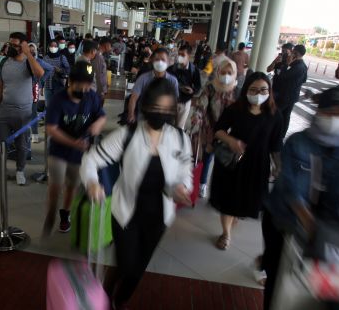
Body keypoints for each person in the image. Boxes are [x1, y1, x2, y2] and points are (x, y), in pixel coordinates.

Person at [262, 86, 339, 310]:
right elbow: (289, 189)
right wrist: (308, 223)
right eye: (330, 113)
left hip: (329, 225)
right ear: (319, 112)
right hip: (285, 220)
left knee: (333, 286)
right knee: (278, 278)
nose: (335, 119)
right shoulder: (297, 142)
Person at [82, 78, 192, 309]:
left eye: (166, 109)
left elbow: (184, 173)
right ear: (145, 106)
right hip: (126, 214)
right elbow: (91, 159)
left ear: (173, 110)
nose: (160, 114)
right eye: (155, 108)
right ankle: (107, 296)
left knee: (137, 272)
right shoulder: (127, 135)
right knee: (127, 265)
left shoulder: (180, 139)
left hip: (158, 218)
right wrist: (92, 182)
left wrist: (182, 188)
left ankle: (118, 299)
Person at [210, 72, 283, 250]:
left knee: (246, 199)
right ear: (246, 90)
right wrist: (231, 141)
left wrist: (278, 166)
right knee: (228, 200)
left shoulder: (275, 115)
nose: (258, 94)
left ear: (269, 91)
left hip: (257, 166)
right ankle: (226, 234)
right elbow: (218, 130)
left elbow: (276, 144)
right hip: (233, 163)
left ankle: (234, 217)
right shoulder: (235, 109)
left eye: (263, 90)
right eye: (254, 89)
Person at [42, 60, 107, 235]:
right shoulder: (58, 99)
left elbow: (101, 116)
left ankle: (65, 215)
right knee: (55, 186)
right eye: (81, 84)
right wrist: (74, 143)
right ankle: (51, 213)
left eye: (88, 84)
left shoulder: (91, 97)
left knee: (72, 186)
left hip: (79, 154)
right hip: (59, 151)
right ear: (70, 81)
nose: (84, 89)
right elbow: (51, 130)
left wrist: (97, 126)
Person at [0, 32, 45, 184]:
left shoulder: (29, 63)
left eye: (15, 45)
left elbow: (40, 73)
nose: (11, 47)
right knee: (0, 142)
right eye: (10, 44)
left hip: (23, 111)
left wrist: (28, 53)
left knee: (22, 144)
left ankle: (20, 171)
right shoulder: (5, 62)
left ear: (23, 46)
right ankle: (0, 169)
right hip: (4, 109)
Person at [191, 58, 238, 198]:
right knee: (207, 158)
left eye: (230, 72)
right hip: (209, 129)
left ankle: (218, 190)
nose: (226, 75)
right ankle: (202, 184)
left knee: (224, 161)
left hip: (229, 133)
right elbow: (201, 105)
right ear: (218, 72)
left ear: (234, 73)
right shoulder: (211, 87)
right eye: (223, 72)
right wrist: (197, 116)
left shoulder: (237, 91)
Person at [127, 48, 179, 124]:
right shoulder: (143, 78)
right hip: (144, 119)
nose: (160, 62)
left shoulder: (173, 81)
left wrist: (176, 123)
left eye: (163, 60)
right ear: (152, 61)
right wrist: (131, 114)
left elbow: (175, 103)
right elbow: (133, 98)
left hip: (165, 121)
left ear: (168, 62)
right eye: (157, 59)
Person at [273, 44, 308, 138]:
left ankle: (275, 134)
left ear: (296, 53)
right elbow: (304, 80)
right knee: (286, 116)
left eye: (293, 52)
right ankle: (281, 135)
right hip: (292, 96)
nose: (291, 54)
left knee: (276, 114)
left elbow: (282, 77)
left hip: (286, 96)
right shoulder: (303, 66)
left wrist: (286, 64)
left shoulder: (298, 66)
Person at [167, 44, 201, 129]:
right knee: (168, 126)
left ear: (188, 56)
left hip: (185, 102)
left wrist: (192, 90)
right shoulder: (171, 69)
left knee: (179, 128)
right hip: (171, 101)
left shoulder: (194, 70)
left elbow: (198, 86)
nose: (180, 57)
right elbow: (165, 82)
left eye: (183, 55)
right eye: (179, 54)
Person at [43, 39, 70, 109]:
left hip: (59, 85)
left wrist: (60, 70)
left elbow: (68, 70)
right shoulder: (45, 58)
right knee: (48, 107)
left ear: (58, 47)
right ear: (48, 47)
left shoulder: (62, 57)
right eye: (51, 46)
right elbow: (42, 72)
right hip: (47, 86)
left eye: (55, 46)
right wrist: (41, 87)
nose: (53, 48)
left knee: (58, 107)